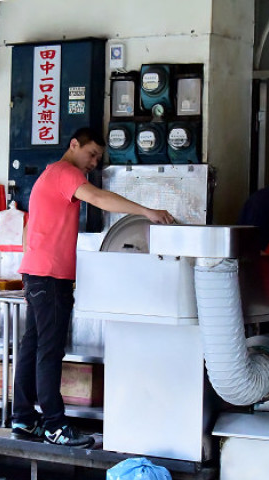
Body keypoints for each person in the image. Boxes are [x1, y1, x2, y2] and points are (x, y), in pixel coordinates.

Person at [11, 127, 174, 448]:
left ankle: (23, 419)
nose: (95, 162)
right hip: (51, 277)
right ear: (74, 145)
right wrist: (146, 211)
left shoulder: (48, 176)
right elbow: (98, 198)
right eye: (92, 154)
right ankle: (55, 425)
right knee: (50, 350)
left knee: (32, 346)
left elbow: (28, 233)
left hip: (36, 273)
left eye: (99, 158)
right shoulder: (64, 172)